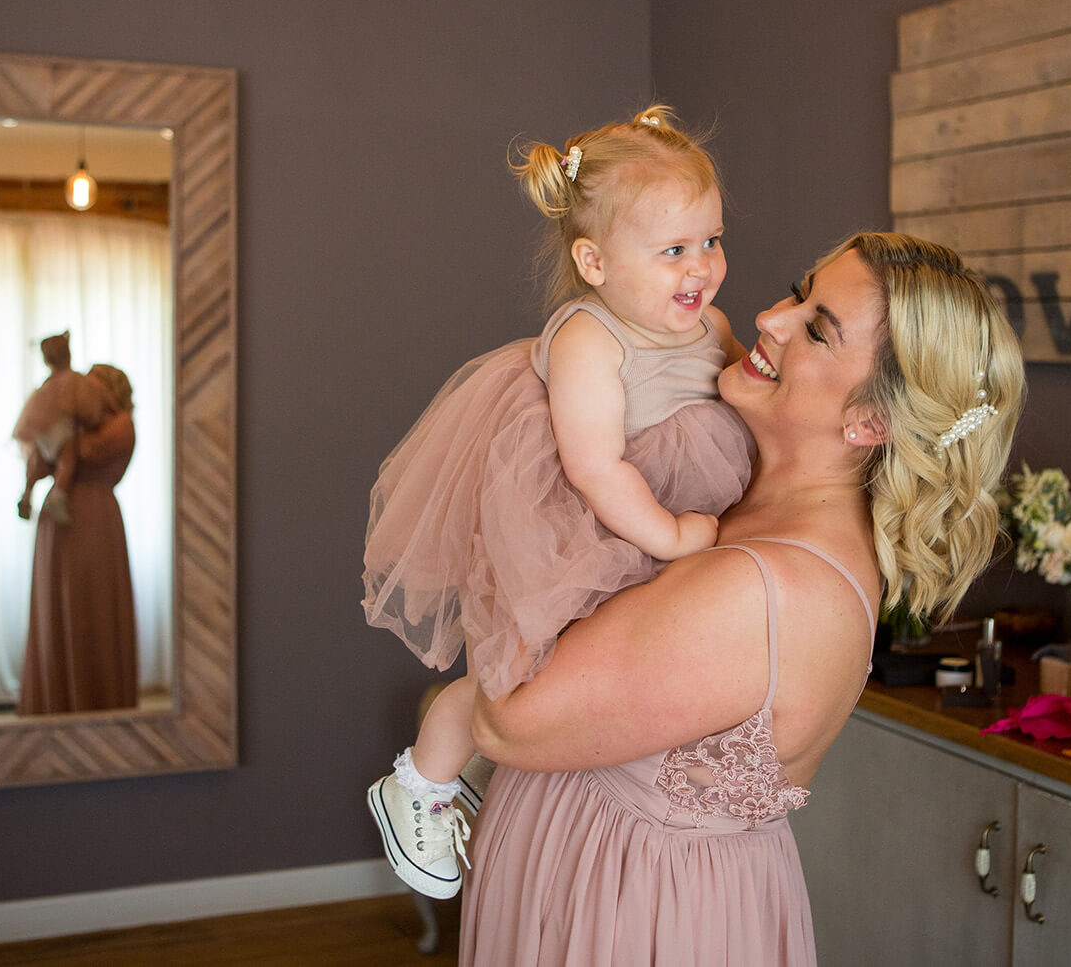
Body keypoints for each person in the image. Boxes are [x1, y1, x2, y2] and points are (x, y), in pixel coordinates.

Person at [460, 231, 1026, 965]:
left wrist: (518, 509)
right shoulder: (729, 483)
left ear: (870, 422)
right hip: (593, 881)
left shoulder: (762, 590)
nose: (770, 318)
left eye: (817, 329)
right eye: (799, 290)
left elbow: (508, 723)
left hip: (635, 918)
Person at [362, 106, 754, 898]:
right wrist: (675, 537)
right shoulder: (590, 338)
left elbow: (747, 405)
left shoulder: (710, 323)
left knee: (612, 678)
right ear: (596, 262)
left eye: (711, 241)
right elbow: (596, 468)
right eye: (674, 250)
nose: (701, 267)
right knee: (524, 678)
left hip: (663, 531)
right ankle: (421, 779)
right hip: (590, 526)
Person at [18, 363, 141, 715]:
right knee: (56, 600)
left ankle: (100, 697)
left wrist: (61, 436)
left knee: (94, 604)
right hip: (55, 524)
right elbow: (42, 462)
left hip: (96, 518)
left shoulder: (121, 425)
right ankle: (53, 697)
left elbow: (85, 451)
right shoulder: (66, 424)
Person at [13, 330, 113, 526]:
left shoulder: (47, 384)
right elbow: (87, 408)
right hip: (61, 431)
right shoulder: (73, 379)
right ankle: (59, 495)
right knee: (67, 461)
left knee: (37, 463)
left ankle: (27, 492)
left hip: (43, 434)